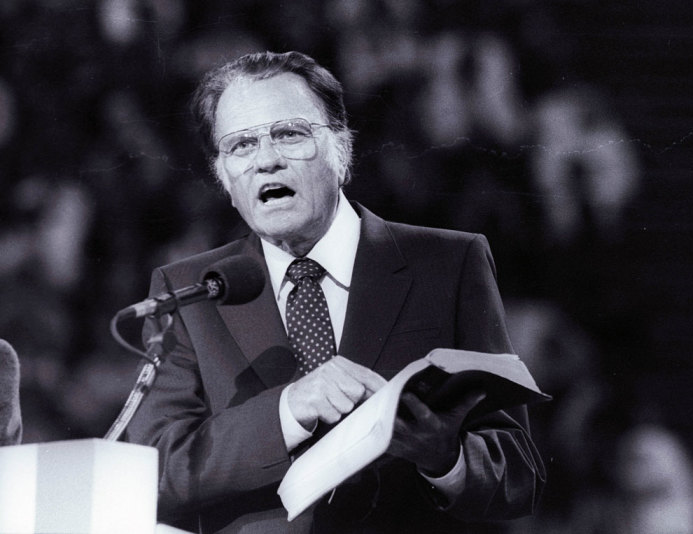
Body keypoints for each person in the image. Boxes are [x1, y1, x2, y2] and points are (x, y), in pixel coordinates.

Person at [124, 51, 545, 533]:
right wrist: (288, 408)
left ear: (341, 150)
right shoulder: (188, 292)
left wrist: (445, 456)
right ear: (224, 177)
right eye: (241, 145)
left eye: (290, 134)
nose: (267, 160)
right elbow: (152, 473)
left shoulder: (448, 264)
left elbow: (519, 476)